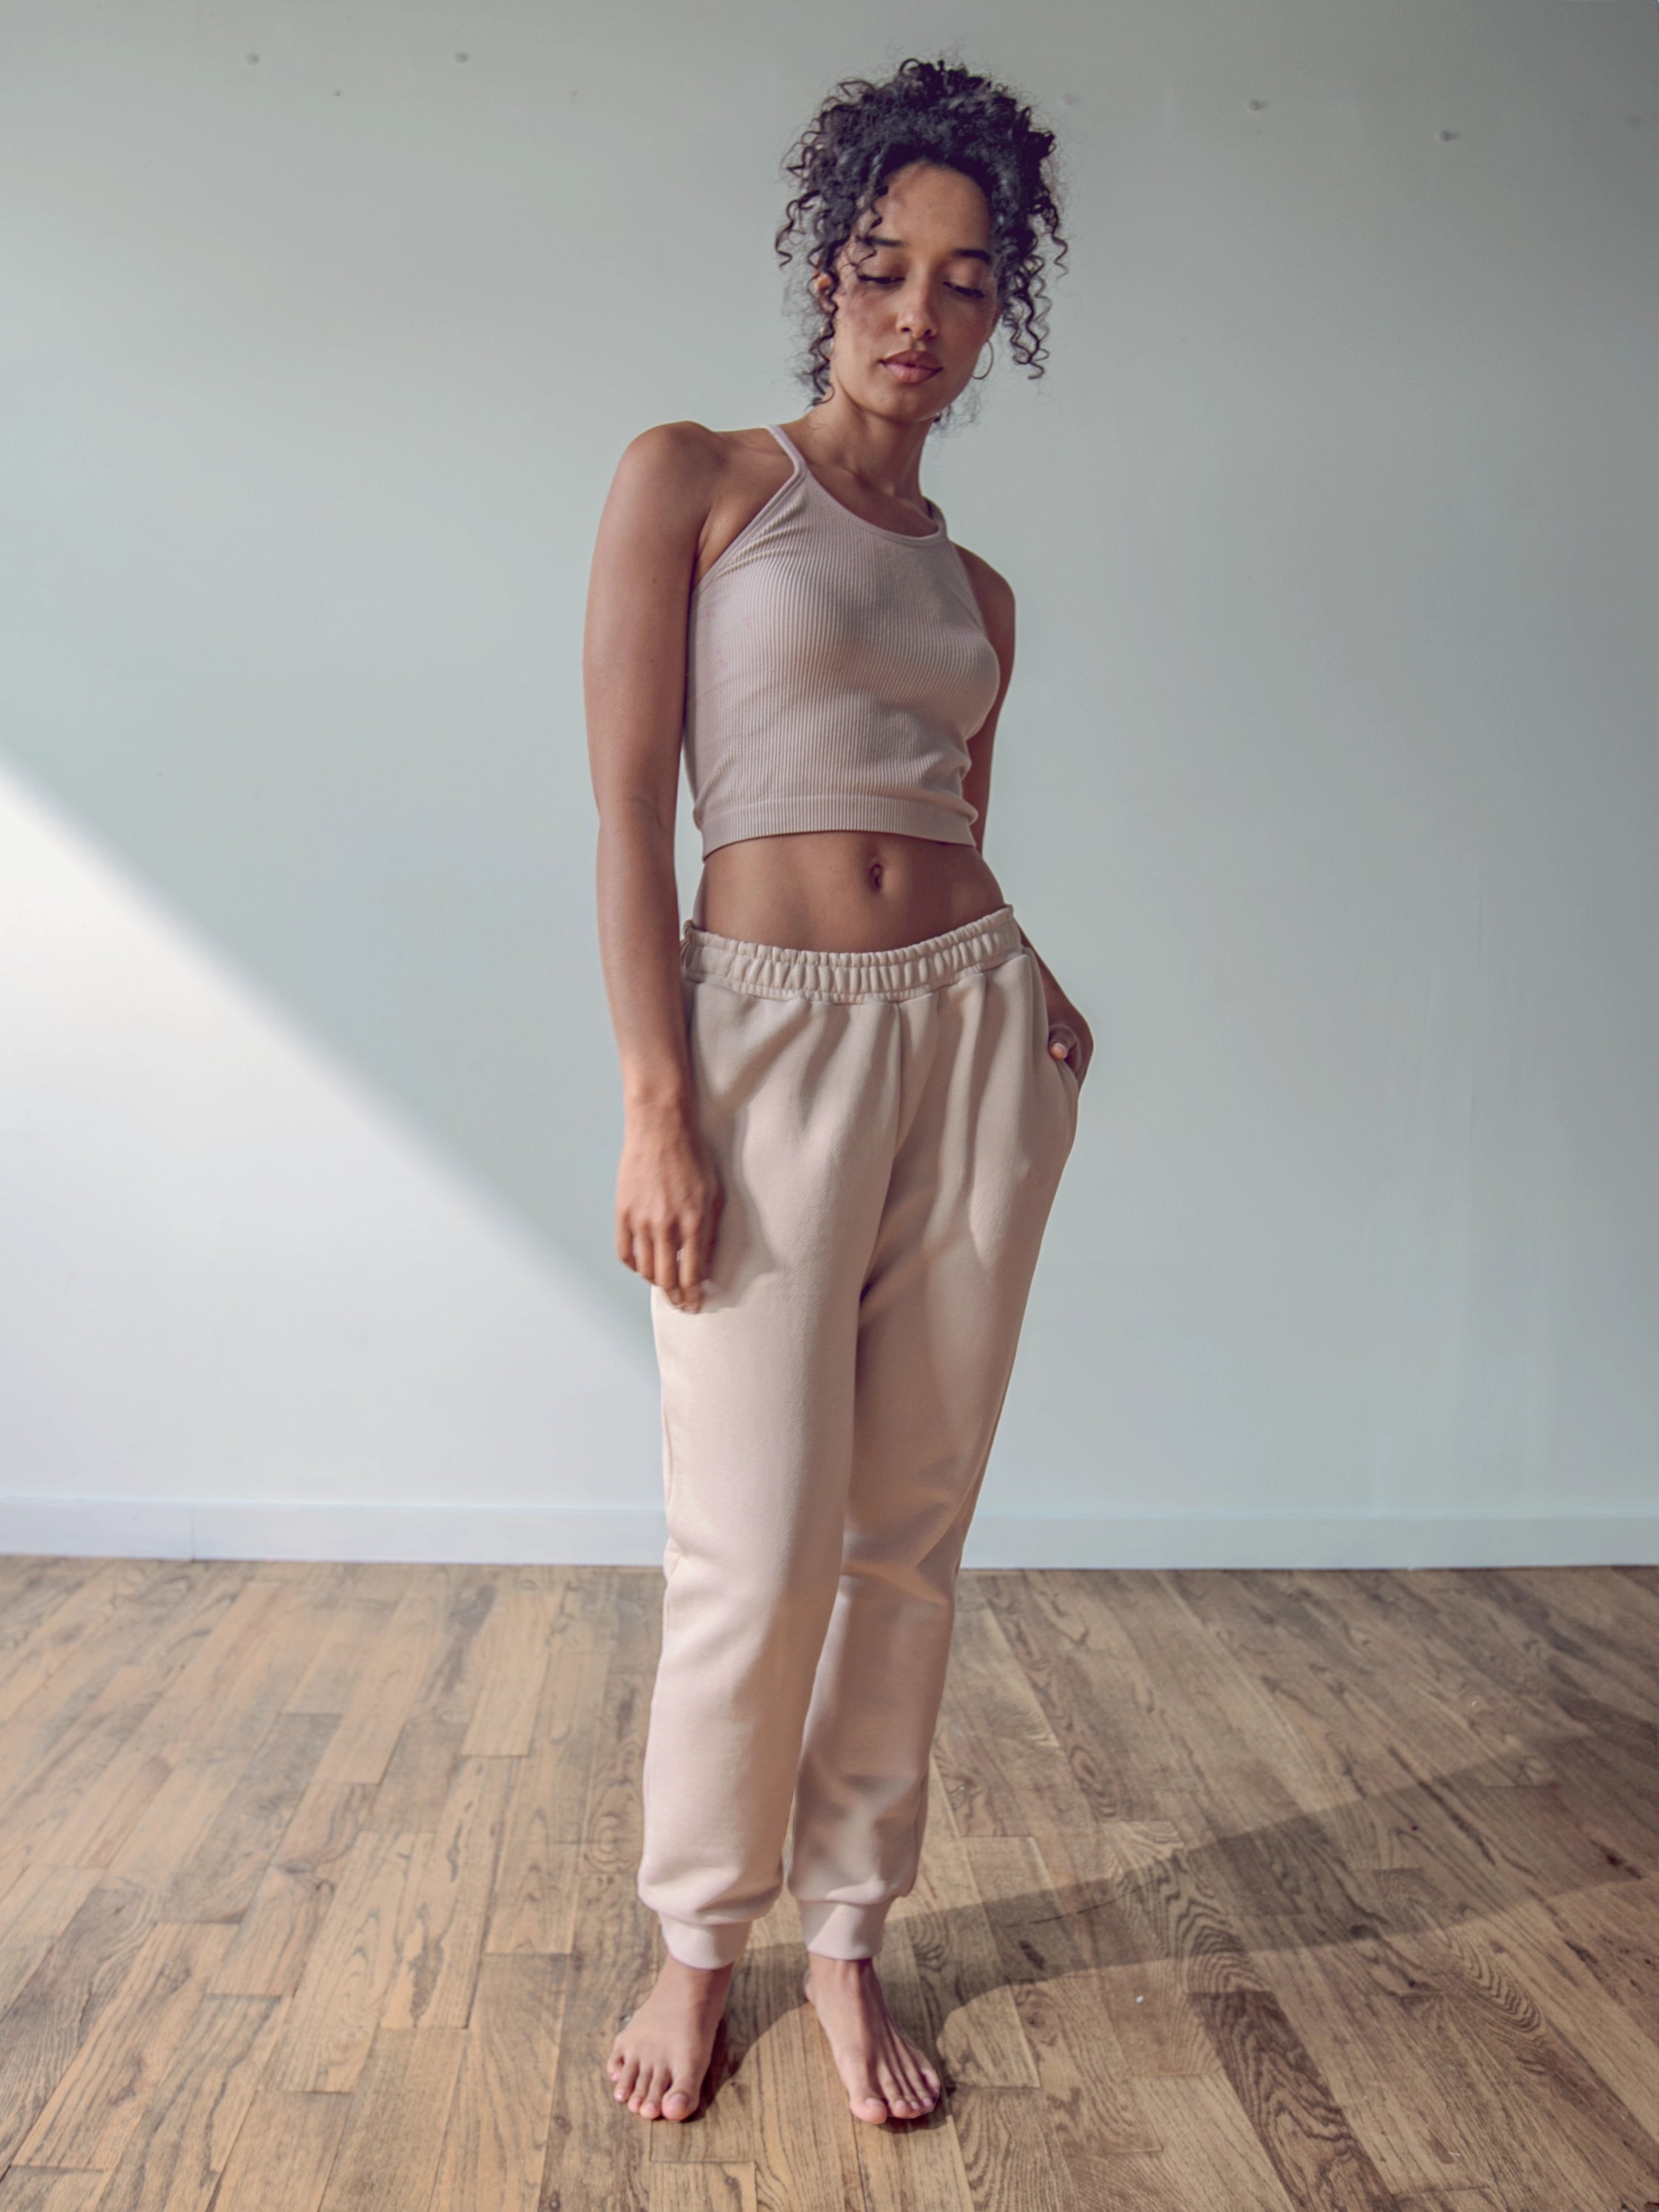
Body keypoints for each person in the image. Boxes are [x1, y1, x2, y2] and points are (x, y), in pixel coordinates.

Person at [585, 55, 1086, 2129]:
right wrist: (657, 1097)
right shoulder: (695, 481)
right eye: (887, 266)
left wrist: (1040, 987)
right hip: (757, 1031)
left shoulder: (979, 596)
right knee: (754, 1538)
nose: (919, 315)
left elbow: (950, 824)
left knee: (906, 1533)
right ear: (828, 268)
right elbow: (631, 816)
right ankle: (694, 1941)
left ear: (1001, 317)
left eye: (967, 285)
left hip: (970, 1040)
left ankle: (848, 1931)